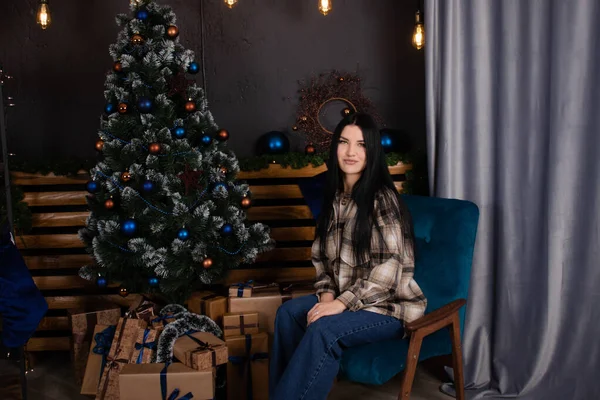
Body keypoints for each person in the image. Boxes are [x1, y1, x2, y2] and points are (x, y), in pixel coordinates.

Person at [269, 113, 427, 400]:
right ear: (335, 147)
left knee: (324, 330)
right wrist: (327, 296)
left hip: (388, 308)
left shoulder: (383, 199)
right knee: (288, 314)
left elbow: (389, 269)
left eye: (361, 144)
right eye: (344, 142)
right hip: (349, 299)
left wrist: (341, 303)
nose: (351, 152)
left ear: (372, 151)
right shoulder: (333, 198)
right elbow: (321, 258)